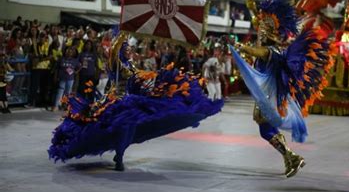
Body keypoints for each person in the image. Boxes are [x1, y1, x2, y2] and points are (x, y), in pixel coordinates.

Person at [49, 32, 224, 171]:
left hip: (131, 99)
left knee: (130, 126)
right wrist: (124, 34)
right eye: (126, 48)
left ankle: (120, 155)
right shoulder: (115, 63)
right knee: (116, 126)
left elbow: (140, 77)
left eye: (129, 48)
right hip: (115, 101)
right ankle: (119, 155)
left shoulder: (131, 65)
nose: (129, 51)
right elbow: (114, 52)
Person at [232, 0, 335, 178]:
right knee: (266, 129)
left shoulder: (271, 51)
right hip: (267, 96)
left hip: (269, 98)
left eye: (262, 30)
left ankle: (291, 156)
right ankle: (289, 157)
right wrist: (252, 11)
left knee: (265, 129)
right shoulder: (274, 49)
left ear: (268, 34)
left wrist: (241, 47)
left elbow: (258, 51)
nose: (260, 32)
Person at [52, 47, 80, 112]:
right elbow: (57, 68)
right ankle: (56, 105)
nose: (69, 53)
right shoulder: (61, 59)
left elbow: (79, 66)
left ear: (73, 53)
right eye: (68, 51)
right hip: (62, 78)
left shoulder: (75, 60)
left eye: (70, 52)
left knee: (68, 93)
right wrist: (55, 76)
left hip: (70, 79)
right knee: (60, 92)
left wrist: (76, 72)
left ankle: (67, 106)